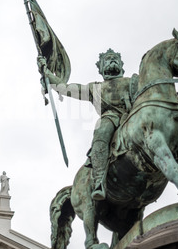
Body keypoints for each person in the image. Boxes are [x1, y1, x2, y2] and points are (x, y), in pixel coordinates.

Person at [38, 49, 132, 200]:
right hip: (110, 118)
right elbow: (66, 88)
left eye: (114, 59)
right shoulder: (94, 88)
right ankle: (99, 181)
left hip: (134, 116)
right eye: (107, 60)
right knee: (101, 132)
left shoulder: (134, 81)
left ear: (122, 65)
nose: (111, 61)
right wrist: (47, 73)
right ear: (101, 69)